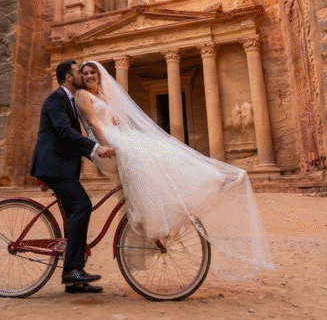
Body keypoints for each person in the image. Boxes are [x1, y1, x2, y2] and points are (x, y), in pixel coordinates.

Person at [74, 61, 275, 279]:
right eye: (85, 73)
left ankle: (185, 194)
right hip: (103, 144)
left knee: (156, 152)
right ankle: (159, 215)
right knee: (143, 158)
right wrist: (106, 146)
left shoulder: (103, 96)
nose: (89, 76)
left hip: (113, 137)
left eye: (92, 72)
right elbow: (94, 124)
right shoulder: (83, 96)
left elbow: (114, 121)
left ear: (99, 75)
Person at [29, 59, 114, 294]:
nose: (82, 75)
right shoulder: (56, 98)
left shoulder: (67, 100)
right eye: (78, 71)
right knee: (82, 206)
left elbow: (71, 137)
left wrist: (96, 154)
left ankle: (74, 281)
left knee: (72, 215)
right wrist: (95, 148)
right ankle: (73, 269)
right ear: (69, 77)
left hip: (61, 167)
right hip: (53, 167)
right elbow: (65, 133)